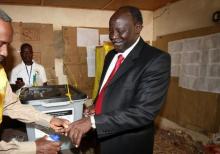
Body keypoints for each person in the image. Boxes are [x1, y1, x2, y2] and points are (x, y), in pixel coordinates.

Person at [66, 6, 171, 154]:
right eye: (111, 30)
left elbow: (143, 112)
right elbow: (108, 89)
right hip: (102, 135)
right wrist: (95, 106)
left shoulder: (155, 59)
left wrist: (93, 122)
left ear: (138, 28)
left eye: (120, 31)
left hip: (127, 143)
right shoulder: (111, 56)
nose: (113, 36)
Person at [0, 9, 70, 154]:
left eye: (7, 44)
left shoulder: (0, 72)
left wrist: (49, 119)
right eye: (0, 43)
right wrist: (33, 147)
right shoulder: (15, 70)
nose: (5, 53)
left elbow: (12, 106)